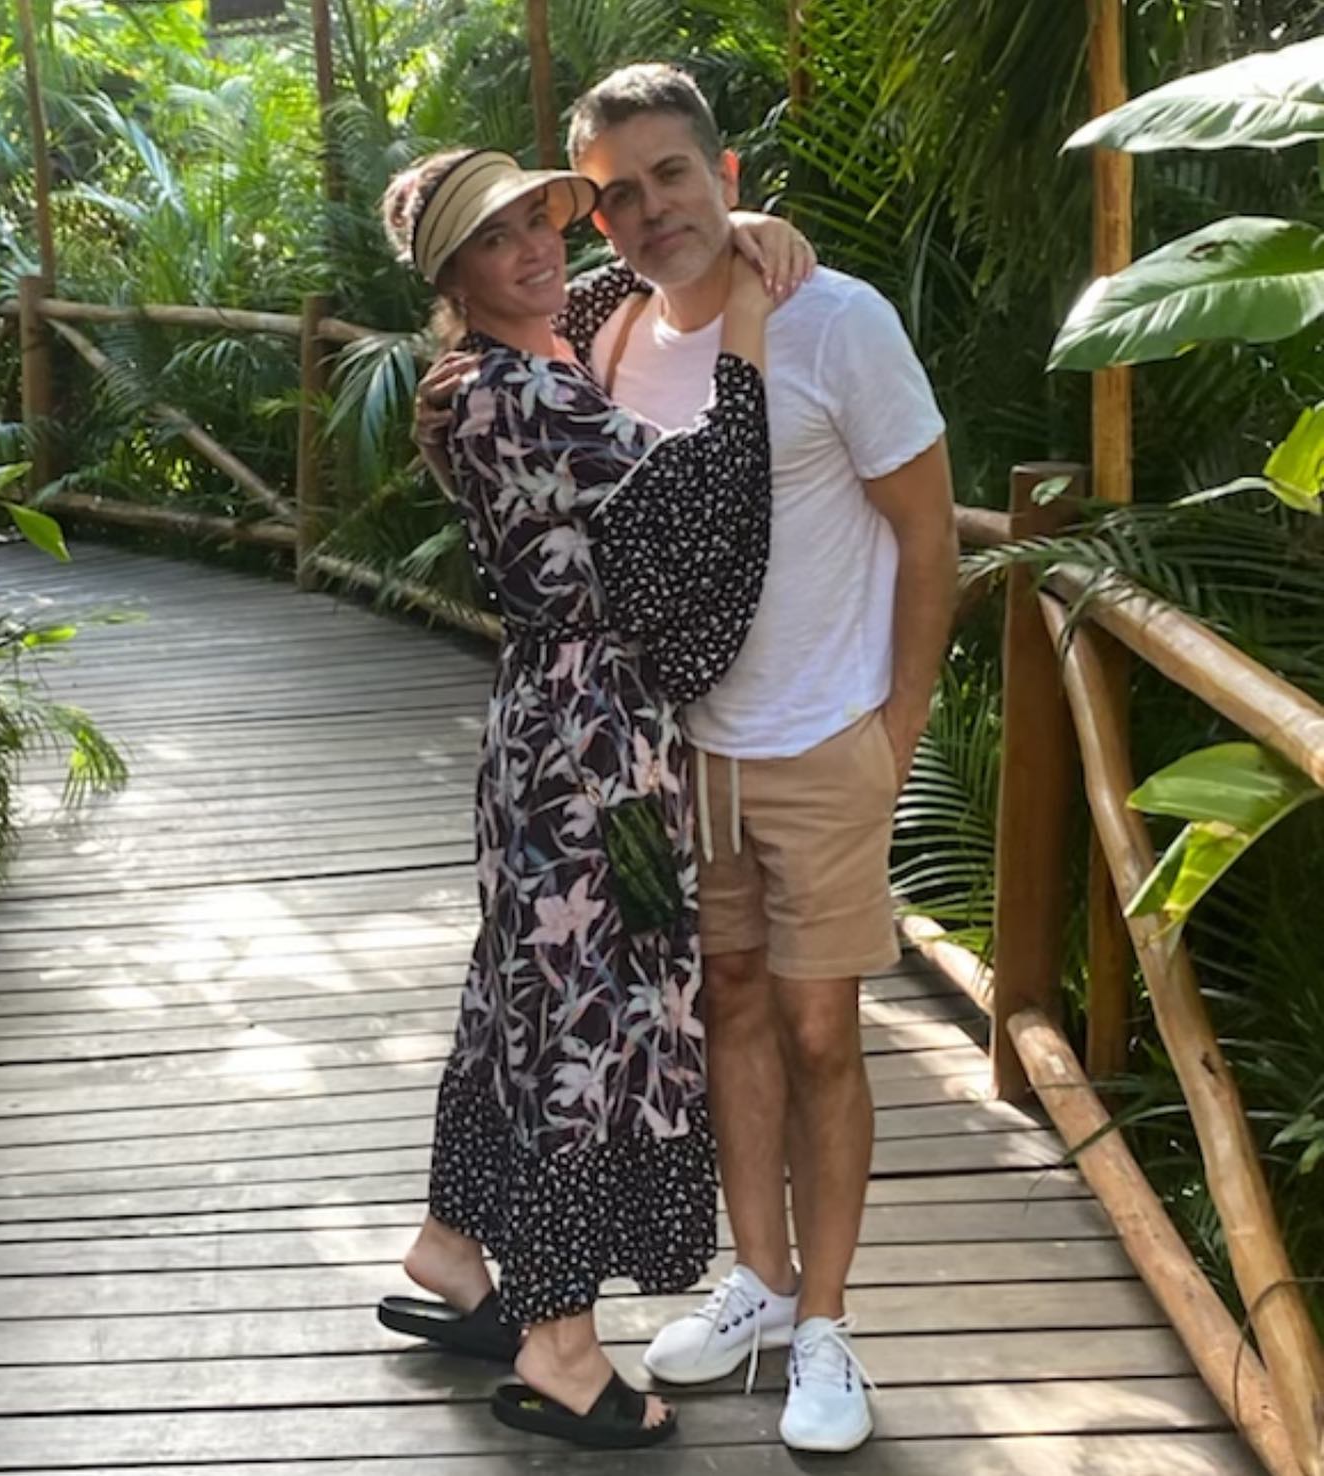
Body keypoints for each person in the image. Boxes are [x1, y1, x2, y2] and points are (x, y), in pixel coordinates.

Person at [545, 65, 958, 1455]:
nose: (647, 208)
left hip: (822, 741)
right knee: (724, 1006)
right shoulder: (603, 333)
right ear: (595, 224)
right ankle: (762, 1284)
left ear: (724, 176)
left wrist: (894, 732)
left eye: (670, 174)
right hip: (679, 763)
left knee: (823, 1029)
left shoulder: (837, 323)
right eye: (616, 194)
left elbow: (928, 537)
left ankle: (831, 1324)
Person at [373, 146, 799, 1451]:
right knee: (590, 1017)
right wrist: (743, 330)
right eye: (498, 239)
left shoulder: (522, 355)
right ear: (457, 277)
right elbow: (692, 504)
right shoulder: (523, 397)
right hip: (589, 753)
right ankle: (559, 1340)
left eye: (538, 222)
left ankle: (457, 1244)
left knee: (534, 989)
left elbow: (596, 278)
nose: (537, 247)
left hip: (566, 739)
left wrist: (730, 225)